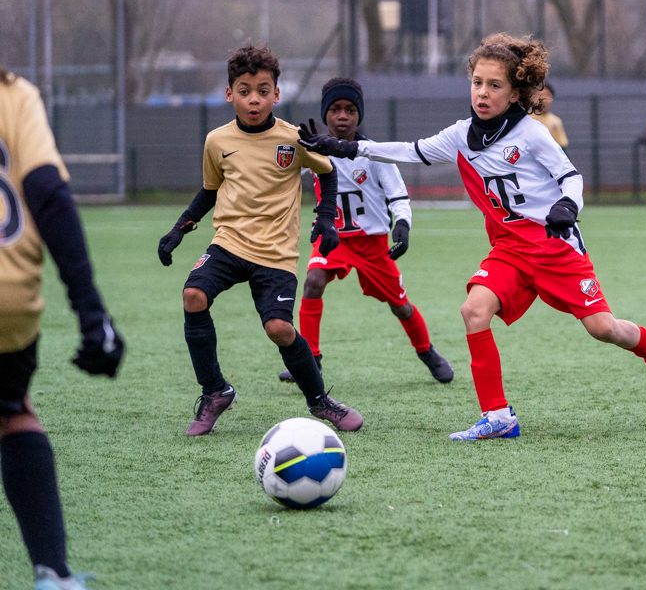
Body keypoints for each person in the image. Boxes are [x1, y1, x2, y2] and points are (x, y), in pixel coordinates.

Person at [297, 33, 646, 441]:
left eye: (495, 85)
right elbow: (410, 150)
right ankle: (498, 416)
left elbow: (570, 178)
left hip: (554, 247)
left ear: (514, 93)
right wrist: (343, 148)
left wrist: (566, 208)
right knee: (473, 310)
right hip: (508, 249)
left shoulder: (531, 133)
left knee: (603, 328)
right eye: (477, 83)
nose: (483, 93)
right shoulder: (459, 135)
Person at [157, 44, 362, 435]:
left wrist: (326, 218)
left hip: (276, 253)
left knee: (279, 330)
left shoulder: (294, 138)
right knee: (193, 295)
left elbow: (328, 172)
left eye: (264, 90)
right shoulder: (217, 141)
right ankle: (215, 391)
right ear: (229, 93)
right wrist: (179, 229)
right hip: (229, 243)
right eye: (246, 90)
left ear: (277, 94)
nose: (255, 99)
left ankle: (320, 401)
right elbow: (209, 190)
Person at [0, 66, 125, 589]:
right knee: (12, 412)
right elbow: (48, 193)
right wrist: (91, 311)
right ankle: (53, 572)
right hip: (8, 299)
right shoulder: (13, 93)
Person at [277, 78, 453, 385]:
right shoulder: (313, 151)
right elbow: (282, 171)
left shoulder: (374, 153)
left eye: (349, 109)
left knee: (401, 305)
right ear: (324, 114)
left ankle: (427, 352)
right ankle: (309, 361)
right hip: (331, 238)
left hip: (372, 244)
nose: (342, 116)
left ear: (359, 115)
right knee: (313, 282)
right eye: (334, 109)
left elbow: (397, 194)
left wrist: (402, 224)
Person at [530, 80, 569, 151]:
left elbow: (562, 147)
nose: (545, 100)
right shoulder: (527, 119)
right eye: (541, 95)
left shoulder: (556, 121)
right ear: (534, 98)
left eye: (547, 95)